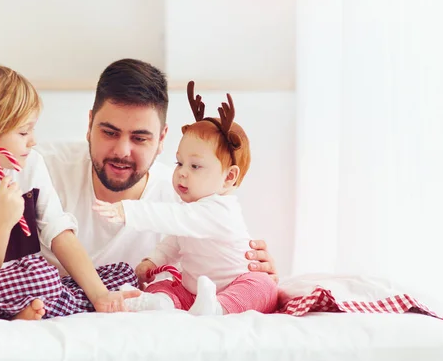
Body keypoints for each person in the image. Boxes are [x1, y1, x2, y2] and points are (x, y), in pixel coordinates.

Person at [0, 64, 140, 320]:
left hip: (25, 284)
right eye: (23, 132)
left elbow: (59, 234)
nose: (33, 140)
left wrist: (100, 296)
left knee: (124, 275)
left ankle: (29, 309)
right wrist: (3, 222)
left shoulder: (31, 165)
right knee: (43, 275)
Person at [37, 59, 277, 284]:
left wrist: (255, 276)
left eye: (139, 138)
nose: (122, 151)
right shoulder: (41, 169)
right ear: (89, 125)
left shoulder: (188, 198)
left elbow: (222, 272)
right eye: (109, 133)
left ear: (162, 138)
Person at [93, 81, 279, 315]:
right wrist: (153, 261)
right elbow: (174, 241)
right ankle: (158, 302)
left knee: (264, 287)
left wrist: (127, 211)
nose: (182, 172)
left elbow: (173, 218)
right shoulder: (189, 209)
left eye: (195, 166)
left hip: (234, 282)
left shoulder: (220, 210)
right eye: (179, 163)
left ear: (228, 177)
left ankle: (218, 308)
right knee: (169, 281)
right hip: (194, 289)